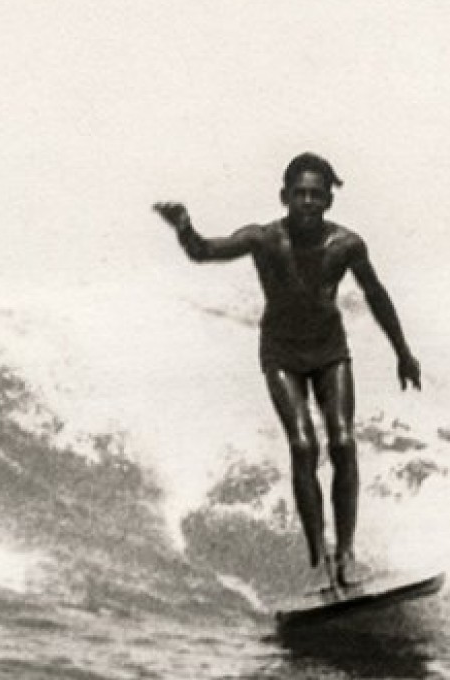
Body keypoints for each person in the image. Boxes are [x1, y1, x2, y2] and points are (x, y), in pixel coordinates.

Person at [154, 153, 421, 591]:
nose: (308, 202)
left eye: (317, 194)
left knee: (343, 442)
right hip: (281, 354)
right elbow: (205, 252)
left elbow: (375, 294)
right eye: (300, 194)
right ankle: (318, 561)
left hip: (330, 352)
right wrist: (183, 225)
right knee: (302, 445)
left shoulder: (346, 245)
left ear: (329, 201)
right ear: (284, 197)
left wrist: (403, 353)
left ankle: (346, 554)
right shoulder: (264, 240)